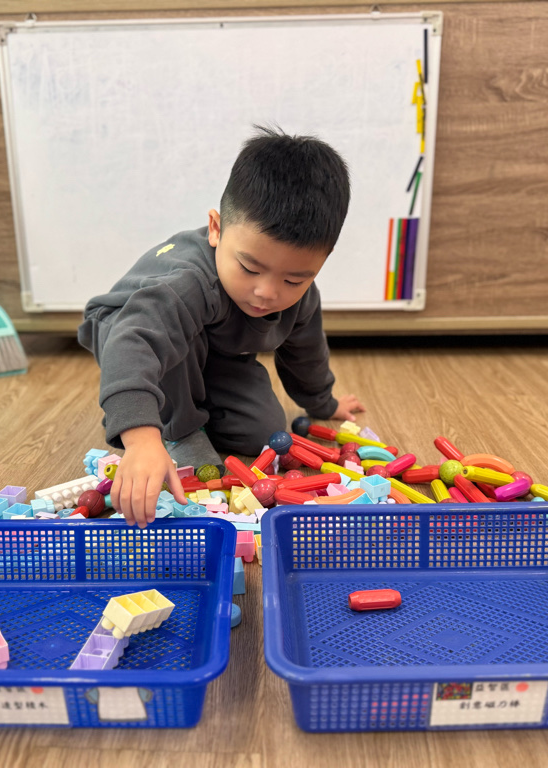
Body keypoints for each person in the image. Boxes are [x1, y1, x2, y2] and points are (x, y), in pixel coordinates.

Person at [78, 126, 364, 528]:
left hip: (210, 349)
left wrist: (324, 403)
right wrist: (142, 438)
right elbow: (135, 343)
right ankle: (178, 428)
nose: (266, 293)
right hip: (128, 330)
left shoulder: (301, 297)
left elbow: (306, 352)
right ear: (216, 228)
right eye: (249, 267)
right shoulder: (187, 283)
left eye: (293, 280)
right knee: (174, 343)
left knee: (263, 432)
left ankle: (190, 405)